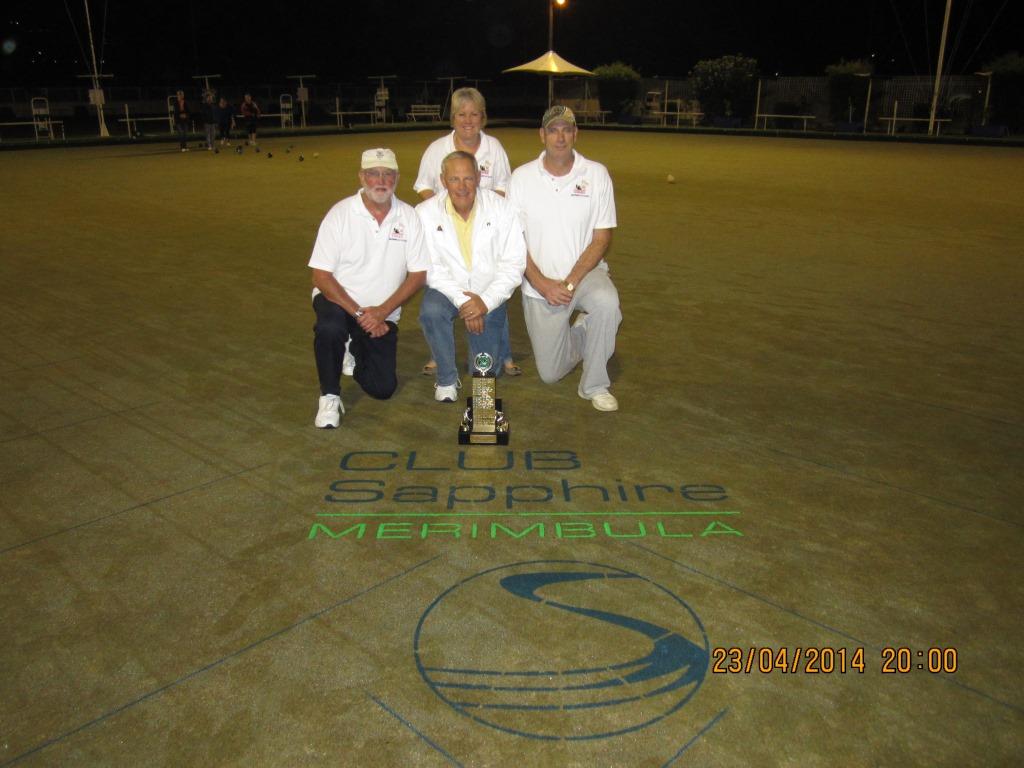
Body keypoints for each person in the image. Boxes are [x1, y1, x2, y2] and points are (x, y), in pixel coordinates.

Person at [506, 106, 621, 412]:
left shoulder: (596, 174)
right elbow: (513, 241)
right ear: (542, 135)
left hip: (584, 275)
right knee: (550, 374)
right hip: (539, 284)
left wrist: (570, 283)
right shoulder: (521, 178)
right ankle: (585, 331)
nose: (560, 137)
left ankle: (595, 385)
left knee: (607, 303)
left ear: (575, 134)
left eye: (566, 129)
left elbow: (601, 238)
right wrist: (543, 284)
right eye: (553, 130)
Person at [307, 148, 429, 428]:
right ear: (362, 176)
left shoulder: (409, 217)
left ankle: (353, 343)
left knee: (381, 388)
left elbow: (418, 274)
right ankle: (329, 396)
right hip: (338, 301)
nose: (381, 180)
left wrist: (382, 312)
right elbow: (321, 277)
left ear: (397, 178)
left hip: (382, 313)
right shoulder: (340, 214)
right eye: (373, 173)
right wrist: (361, 314)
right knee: (330, 329)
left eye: (387, 174)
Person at [413, 87, 522, 379]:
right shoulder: (436, 150)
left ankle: (498, 356)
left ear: (483, 117)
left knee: (484, 372)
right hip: (447, 244)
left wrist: (483, 209)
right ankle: (445, 372)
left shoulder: (494, 150)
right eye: (462, 114)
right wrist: (442, 215)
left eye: (474, 114)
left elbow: (504, 187)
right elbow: (424, 185)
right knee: (434, 309)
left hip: (485, 247)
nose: (468, 119)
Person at [416, 151, 526, 402]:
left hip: (489, 294)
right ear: (443, 181)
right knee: (431, 310)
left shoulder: (503, 209)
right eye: (454, 179)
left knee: (484, 373)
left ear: (478, 177)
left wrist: (484, 302)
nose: (462, 186)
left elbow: (513, 264)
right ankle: (446, 378)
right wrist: (466, 303)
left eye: (468, 178)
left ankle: (482, 402)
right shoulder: (423, 213)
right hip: (447, 291)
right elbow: (430, 267)